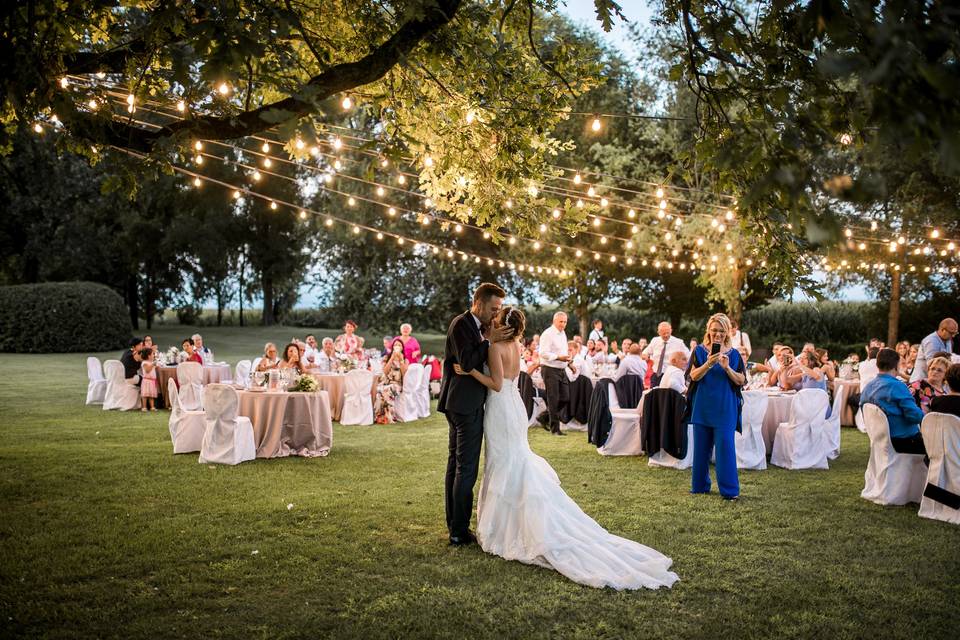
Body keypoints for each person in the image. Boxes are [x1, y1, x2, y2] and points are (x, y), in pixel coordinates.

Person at [451, 306, 677, 589]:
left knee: (503, 462)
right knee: (513, 459)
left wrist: (470, 370)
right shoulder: (517, 345)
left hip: (500, 408)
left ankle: (505, 528)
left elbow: (496, 384)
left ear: (502, 324)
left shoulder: (496, 347)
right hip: (514, 408)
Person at [438, 283, 513, 547]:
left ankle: (454, 524)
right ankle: (459, 530)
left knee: (456, 465)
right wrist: (489, 342)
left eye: (499, 310)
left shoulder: (479, 328)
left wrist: (488, 339)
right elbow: (467, 362)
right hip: (464, 404)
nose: (495, 314)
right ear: (478, 302)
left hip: (461, 402)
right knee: (465, 468)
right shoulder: (461, 324)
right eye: (493, 308)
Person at [686, 313, 746, 500]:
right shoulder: (698, 352)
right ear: (708, 331)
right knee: (701, 449)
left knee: (725, 448)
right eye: (714, 331)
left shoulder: (735, 354)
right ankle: (700, 486)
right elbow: (693, 376)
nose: (717, 334)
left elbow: (741, 380)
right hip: (703, 405)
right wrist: (708, 364)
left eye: (721, 331)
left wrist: (727, 368)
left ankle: (729, 491)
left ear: (727, 332)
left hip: (725, 407)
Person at [860, 348, 926, 455]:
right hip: (903, 441)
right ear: (896, 366)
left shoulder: (868, 387)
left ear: (877, 365)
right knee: (938, 447)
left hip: (878, 439)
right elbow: (916, 416)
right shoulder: (898, 386)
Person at [538, 311, 571, 436]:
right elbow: (542, 353)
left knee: (565, 397)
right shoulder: (547, 334)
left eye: (565, 322)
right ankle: (555, 429)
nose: (563, 324)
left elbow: (564, 351)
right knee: (554, 399)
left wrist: (569, 362)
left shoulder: (563, 334)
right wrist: (558, 357)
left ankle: (544, 417)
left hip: (562, 369)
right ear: (554, 321)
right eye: (561, 321)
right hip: (550, 368)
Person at [642, 321, 690, 386]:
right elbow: (645, 352)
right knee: (654, 395)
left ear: (671, 330)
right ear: (659, 333)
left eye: (668, 332)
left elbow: (688, 356)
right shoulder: (655, 341)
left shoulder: (678, 342)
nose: (666, 335)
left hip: (670, 375)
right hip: (656, 374)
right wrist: (645, 355)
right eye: (664, 333)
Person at [911, 318, 958, 382]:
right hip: (921, 382)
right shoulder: (931, 342)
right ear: (942, 330)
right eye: (951, 333)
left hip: (937, 382)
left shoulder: (948, 340)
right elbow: (932, 365)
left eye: (955, 333)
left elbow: (948, 360)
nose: (953, 336)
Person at [375, 338, 408, 424]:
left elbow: (405, 374)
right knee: (379, 390)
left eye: (399, 345)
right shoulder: (387, 357)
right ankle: (380, 416)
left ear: (402, 348)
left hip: (397, 384)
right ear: (393, 347)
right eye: (395, 345)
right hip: (386, 382)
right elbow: (385, 372)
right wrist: (392, 358)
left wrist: (401, 360)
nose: (397, 346)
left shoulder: (405, 359)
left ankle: (389, 416)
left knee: (386, 390)